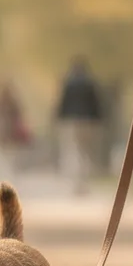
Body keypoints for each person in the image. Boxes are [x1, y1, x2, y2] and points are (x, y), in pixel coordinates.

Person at [55, 57, 104, 196]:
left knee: (74, 152)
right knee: (86, 153)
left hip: (72, 122)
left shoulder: (68, 84)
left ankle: (76, 184)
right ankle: (84, 183)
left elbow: (62, 104)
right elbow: (96, 105)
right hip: (89, 122)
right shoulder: (90, 84)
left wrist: (60, 121)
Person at [0, 80, 30, 184]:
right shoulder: (7, 103)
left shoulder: (3, 103)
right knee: (6, 160)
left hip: (6, 135)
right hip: (5, 136)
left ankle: (5, 180)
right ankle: (6, 180)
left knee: (5, 160)